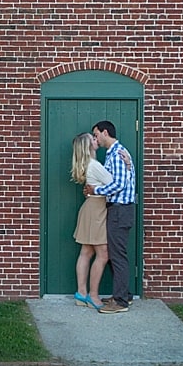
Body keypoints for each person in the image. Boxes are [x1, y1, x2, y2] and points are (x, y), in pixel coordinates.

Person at [84, 120, 136, 313]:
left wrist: (96, 189)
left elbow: (119, 184)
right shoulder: (113, 154)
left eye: (96, 135)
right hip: (117, 209)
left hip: (120, 210)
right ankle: (123, 295)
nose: (96, 138)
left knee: (117, 255)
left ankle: (121, 301)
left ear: (105, 133)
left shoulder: (118, 153)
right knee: (115, 254)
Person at [69, 132, 110, 311]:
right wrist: (127, 165)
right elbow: (114, 183)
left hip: (91, 208)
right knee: (103, 254)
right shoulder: (94, 165)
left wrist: (94, 189)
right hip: (97, 211)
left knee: (86, 252)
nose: (96, 140)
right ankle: (93, 295)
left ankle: (81, 293)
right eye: (92, 139)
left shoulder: (87, 165)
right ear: (88, 146)